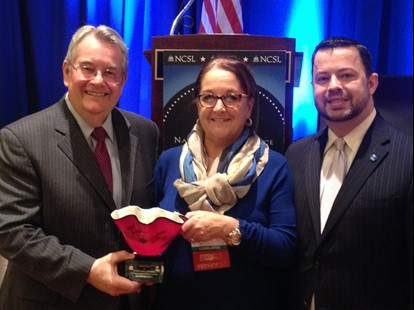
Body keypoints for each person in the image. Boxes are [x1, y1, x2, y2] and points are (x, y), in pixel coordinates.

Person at [0, 25, 159, 309]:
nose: (99, 81)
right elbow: (13, 231)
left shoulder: (145, 133)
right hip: (53, 300)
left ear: (122, 80)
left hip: (129, 299)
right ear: (67, 72)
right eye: (88, 68)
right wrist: (86, 270)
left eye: (110, 72)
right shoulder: (20, 139)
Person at [152, 55, 297, 310]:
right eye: (209, 97)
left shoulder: (274, 166)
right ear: (198, 103)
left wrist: (229, 228)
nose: (218, 108)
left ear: (249, 106)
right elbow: (153, 237)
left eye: (231, 97)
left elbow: (285, 248)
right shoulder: (168, 161)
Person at [285, 36, 413, 310]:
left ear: (372, 83)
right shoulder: (296, 154)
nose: (334, 87)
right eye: (322, 78)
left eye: (346, 75)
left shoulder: (409, 156)